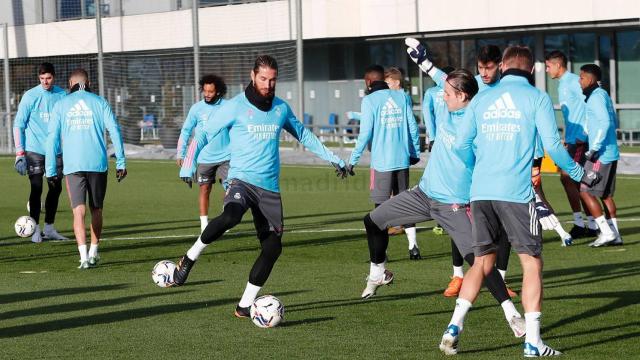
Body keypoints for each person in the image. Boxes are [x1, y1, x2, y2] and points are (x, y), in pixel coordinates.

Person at [435, 45, 596, 357]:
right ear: (532, 70)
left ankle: (454, 326)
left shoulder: (481, 98)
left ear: (503, 67)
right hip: (516, 195)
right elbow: (552, 145)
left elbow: (463, 143)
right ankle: (533, 342)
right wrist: (578, 171)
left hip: (481, 193)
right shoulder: (537, 98)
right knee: (531, 262)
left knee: (482, 262)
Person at [364, 44, 527, 339]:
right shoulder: (452, 107)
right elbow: (443, 81)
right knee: (372, 220)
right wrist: (424, 62)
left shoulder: (478, 122)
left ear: (462, 97)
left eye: (448, 95)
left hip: (453, 205)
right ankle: (378, 271)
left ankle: (512, 314)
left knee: (478, 264)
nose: (443, 96)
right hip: (423, 194)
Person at [171, 55, 352, 318]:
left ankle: (244, 305)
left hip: (269, 189)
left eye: (273, 80)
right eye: (263, 78)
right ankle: (190, 257)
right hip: (241, 180)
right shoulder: (234, 106)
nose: (268, 84)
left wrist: (334, 157)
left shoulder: (280, 108)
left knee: (273, 248)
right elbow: (202, 136)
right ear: (253, 75)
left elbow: (303, 135)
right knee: (231, 215)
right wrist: (187, 166)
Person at [45, 68, 127, 269]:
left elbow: (52, 139)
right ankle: (93, 251)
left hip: (73, 165)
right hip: (97, 164)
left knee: (78, 211)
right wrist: (121, 161)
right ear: (88, 82)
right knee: (96, 209)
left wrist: (50, 169)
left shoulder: (61, 104)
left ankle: (83, 258)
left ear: (70, 84)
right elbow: (114, 130)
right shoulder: (100, 102)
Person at [348, 65, 421, 260]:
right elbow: (412, 126)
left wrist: (352, 160)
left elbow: (364, 134)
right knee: (406, 204)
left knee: (381, 209)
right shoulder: (401, 96)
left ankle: (383, 252)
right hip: (402, 160)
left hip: (381, 164)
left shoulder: (369, 100)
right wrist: (414, 151)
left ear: (369, 82)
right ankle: (413, 247)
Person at [545, 51, 598, 238]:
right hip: (572, 141)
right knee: (571, 179)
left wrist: (584, 133)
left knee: (569, 178)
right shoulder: (562, 85)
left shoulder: (574, 81)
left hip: (580, 140)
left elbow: (590, 105)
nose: (546, 69)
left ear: (558, 65)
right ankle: (588, 224)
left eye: (548, 66)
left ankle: (588, 223)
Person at [13, 62, 67, 243]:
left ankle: (49, 228)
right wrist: (20, 153)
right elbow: (18, 125)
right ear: (39, 77)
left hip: (56, 151)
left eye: (49, 78)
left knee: (56, 187)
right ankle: (35, 229)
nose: (46, 82)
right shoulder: (30, 96)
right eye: (42, 78)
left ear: (54, 77)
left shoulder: (62, 95)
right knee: (36, 188)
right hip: (34, 149)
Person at [177, 74, 230, 232]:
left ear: (218, 92)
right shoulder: (197, 108)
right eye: (205, 91)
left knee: (231, 189)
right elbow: (186, 131)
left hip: (227, 156)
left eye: (211, 91)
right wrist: (181, 153)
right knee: (204, 189)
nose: (207, 94)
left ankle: (225, 219)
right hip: (204, 158)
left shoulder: (228, 107)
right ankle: (204, 225)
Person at [578, 64, 622, 247]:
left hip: (600, 155)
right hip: (609, 152)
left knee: (584, 190)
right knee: (604, 195)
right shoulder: (603, 95)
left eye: (581, 78)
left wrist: (594, 147)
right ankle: (616, 235)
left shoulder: (596, 97)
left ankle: (606, 232)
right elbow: (614, 121)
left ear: (589, 79)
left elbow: (604, 123)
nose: (579, 81)